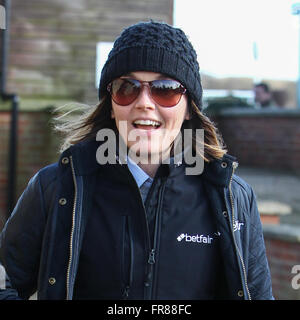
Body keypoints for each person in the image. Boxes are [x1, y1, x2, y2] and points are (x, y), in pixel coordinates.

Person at [0, 21, 273, 300]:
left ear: (189, 107)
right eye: (127, 87)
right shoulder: (56, 188)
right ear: (111, 102)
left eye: (165, 89)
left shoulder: (233, 197)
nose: (144, 102)